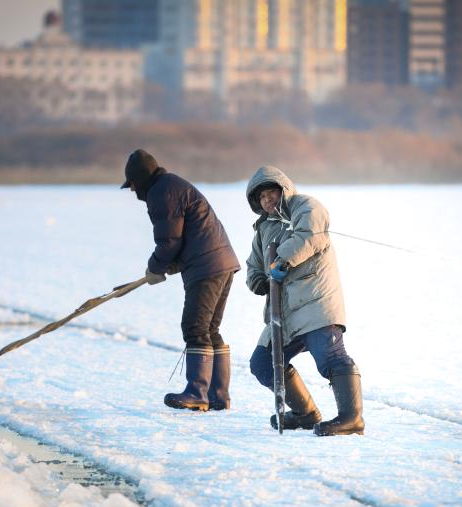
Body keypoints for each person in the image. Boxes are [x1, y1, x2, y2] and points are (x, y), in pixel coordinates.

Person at [244, 166, 364, 436]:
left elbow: (308, 235)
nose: (267, 200)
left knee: (330, 358)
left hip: (315, 302)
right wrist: (257, 280)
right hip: (283, 312)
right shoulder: (263, 229)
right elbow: (253, 264)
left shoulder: (306, 206)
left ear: (283, 190)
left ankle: (351, 418)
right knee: (262, 363)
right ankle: (306, 413)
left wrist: (281, 260)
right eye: (261, 198)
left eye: (271, 192)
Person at [121, 149, 240, 411]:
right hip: (222, 262)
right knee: (210, 329)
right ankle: (218, 396)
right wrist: (169, 265)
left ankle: (198, 393)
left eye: (131, 185)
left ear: (139, 179)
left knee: (195, 327)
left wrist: (156, 267)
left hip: (207, 266)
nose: (132, 191)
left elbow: (169, 241)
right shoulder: (170, 186)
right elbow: (183, 238)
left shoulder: (161, 192)